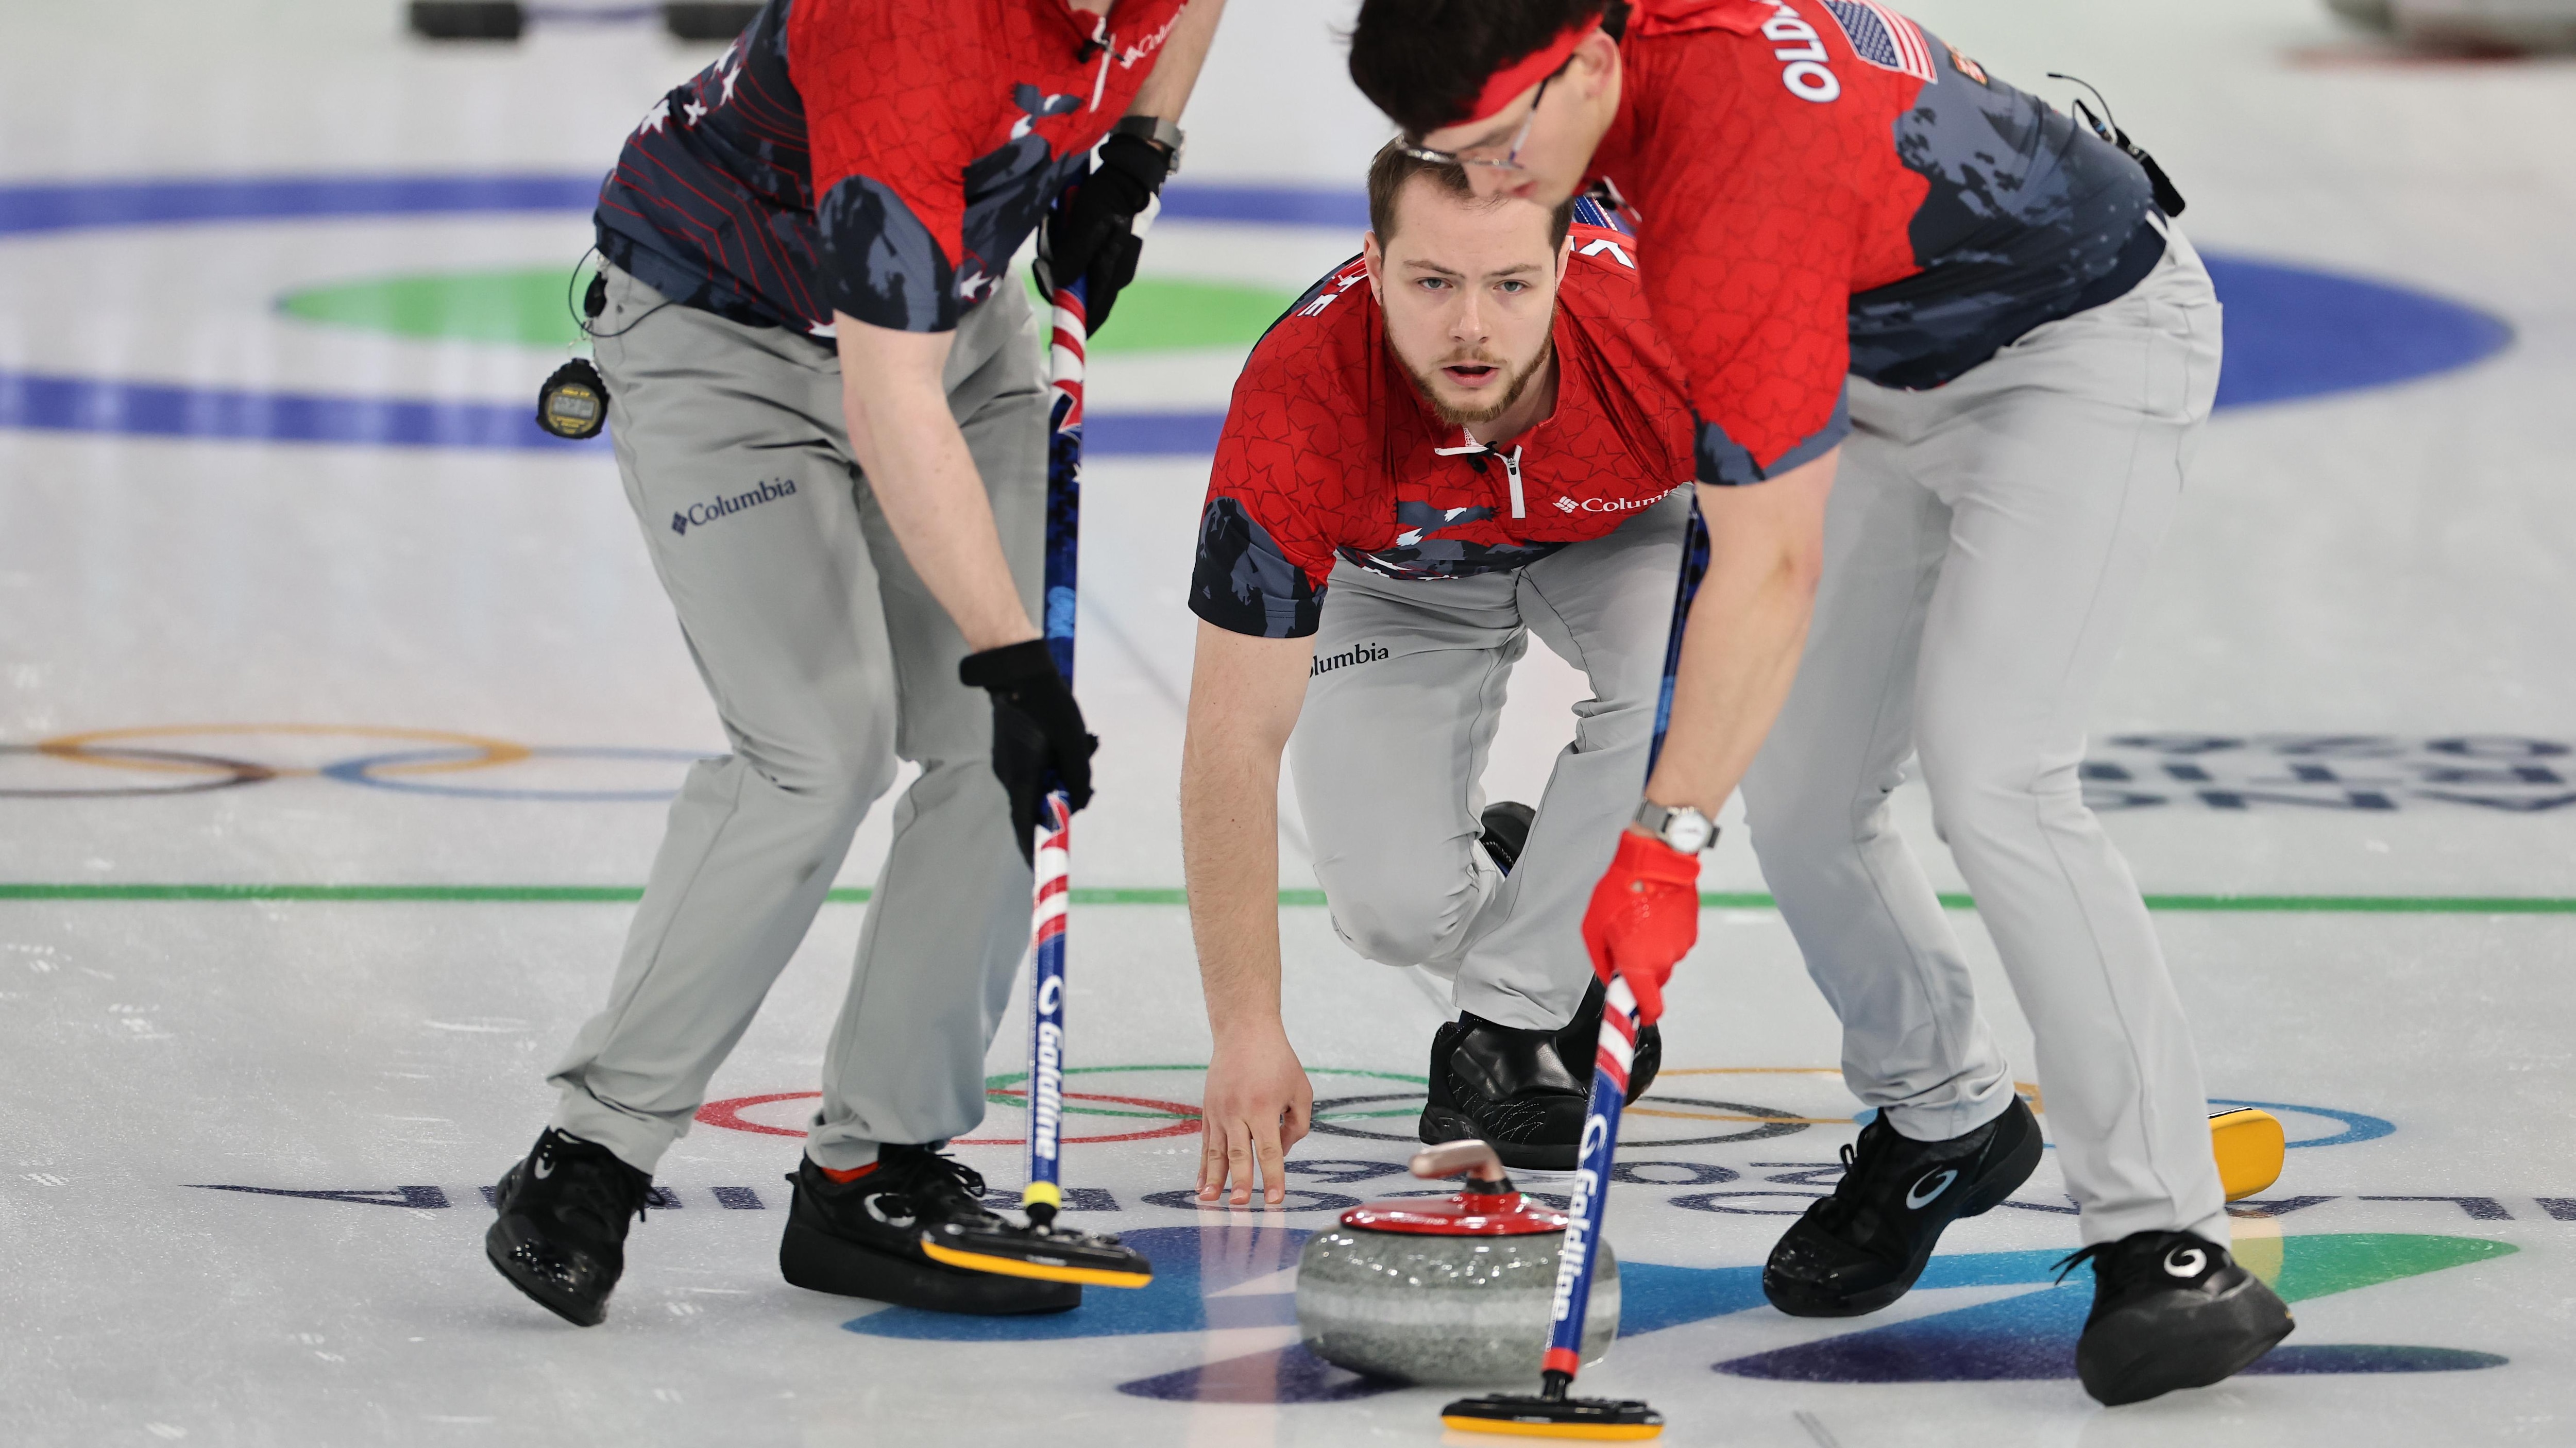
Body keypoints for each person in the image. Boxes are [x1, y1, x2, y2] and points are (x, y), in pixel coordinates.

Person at [1347, 0, 2290, 1406]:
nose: (1484, 191)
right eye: (1443, 155)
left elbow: (1769, 567)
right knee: (1801, 792)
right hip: (1885, 345)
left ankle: (2166, 1236)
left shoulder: (1736, 172)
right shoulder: (1598, 65)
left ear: (1591, 66)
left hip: (2082, 345)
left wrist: (1661, 843)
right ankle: (1945, 1116)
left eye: (1496, 146)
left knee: (1998, 775)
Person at [483, 0, 1228, 1328]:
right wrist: (1011, 658)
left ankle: (875, 1167)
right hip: (727, 341)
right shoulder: (906, 33)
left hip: (962, 318)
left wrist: (1135, 159)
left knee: (993, 764)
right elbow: (892, 403)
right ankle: (593, 1148)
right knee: (814, 753)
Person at [1186, 143, 1697, 1204]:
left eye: (1511, 284)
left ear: (1565, 261)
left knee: (1693, 673)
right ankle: (1550, 890)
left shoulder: (1663, 327)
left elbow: (1785, 571)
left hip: (1617, 528)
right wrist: (1245, 1029)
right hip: (1402, 578)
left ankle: (1516, 1025)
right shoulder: (1298, 401)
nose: (1471, 326)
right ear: (1371, 265)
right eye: (1432, 282)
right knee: (1390, 916)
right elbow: (1232, 734)